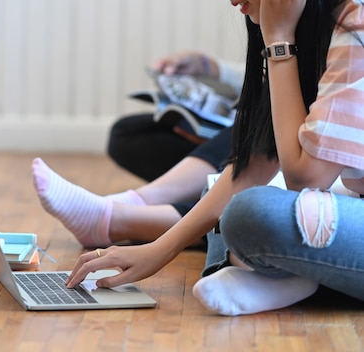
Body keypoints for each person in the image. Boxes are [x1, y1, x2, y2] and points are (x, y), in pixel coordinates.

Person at [63, 0, 364, 316]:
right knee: (216, 191)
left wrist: (279, 40)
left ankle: (290, 277)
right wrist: (157, 250)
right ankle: (286, 275)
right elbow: (252, 167)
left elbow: (305, 178)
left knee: (248, 213)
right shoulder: (315, 23)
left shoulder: (353, 24)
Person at [31, 52, 244, 249]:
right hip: (241, 150)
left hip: (266, 164)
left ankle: (118, 218)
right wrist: (208, 66)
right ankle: (130, 204)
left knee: (254, 129)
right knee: (128, 134)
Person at [107, 52, 244, 182]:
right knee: (126, 133)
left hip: (250, 145)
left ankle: (202, 194)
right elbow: (253, 77)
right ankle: (198, 189)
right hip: (232, 124)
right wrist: (203, 63)